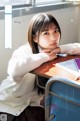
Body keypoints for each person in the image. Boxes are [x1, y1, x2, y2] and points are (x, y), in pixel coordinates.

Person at [0, 13, 61, 121]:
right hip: (8, 105)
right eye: (46, 33)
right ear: (34, 37)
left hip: (30, 106)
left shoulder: (52, 52)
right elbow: (14, 71)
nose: (53, 38)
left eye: (56, 31)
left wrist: (61, 49)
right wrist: (44, 56)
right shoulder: (24, 51)